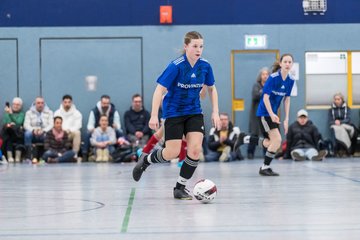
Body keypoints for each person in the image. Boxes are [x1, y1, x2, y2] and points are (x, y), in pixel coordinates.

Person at [132, 31, 221, 200]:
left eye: (201, 46)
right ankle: (146, 161)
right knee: (171, 152)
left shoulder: (205, 66)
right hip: (173, 112)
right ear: (186, 46)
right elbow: (159, 89)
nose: (198, 50)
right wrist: (153, 115)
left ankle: (179, 188)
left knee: (194, 150)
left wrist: (216, 111)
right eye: (195, 46)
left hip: (194, 112)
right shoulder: (176, 66)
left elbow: (212, 88)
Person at [235, 54, 295, 176]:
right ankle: (264, 167)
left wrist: (286, 118)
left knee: (271, 143)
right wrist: (272, 114)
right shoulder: (272, 78)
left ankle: (245, 138)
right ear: (280, 63)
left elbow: (287, 99)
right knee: (277, 140)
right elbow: (265, 98)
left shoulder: (291, 80)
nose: (288, 64)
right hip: (264, 113)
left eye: (290, 62)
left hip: (273, 115)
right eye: (285, 62)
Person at [83, 95, 122, 160]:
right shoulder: (94, 111)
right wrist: (93, 129)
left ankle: (120, 153)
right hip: (97, 132)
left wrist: (115, 127)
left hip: (110, 131)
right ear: (100, 103)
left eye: (107, 103)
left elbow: (118, 125)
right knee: (87, 133)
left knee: (120, 131)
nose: (105, 105)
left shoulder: (114, 111)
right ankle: (85, 154)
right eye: (104, 103)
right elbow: (90, 125)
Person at [247, 67, 270, 159]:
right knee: (254, 134)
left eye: (266, 74)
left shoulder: (270, 85)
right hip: (256, 114)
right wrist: (264, 92)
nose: (265, 76)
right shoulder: (256, 85)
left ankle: (266, 153)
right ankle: (250, 153)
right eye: (263, 74)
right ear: (260, 76)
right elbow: (255, 96)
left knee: (266, 134)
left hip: (267, 114)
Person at [24, 96, 54, 163]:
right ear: (35, 104)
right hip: (33, 133)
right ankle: (28, 157)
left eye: (42, 103)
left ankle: (44, 157)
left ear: (44, 104)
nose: (40, 105)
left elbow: (51, 125)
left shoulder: (49, 112)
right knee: (27, 134)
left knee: (47, 135)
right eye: (38, 103)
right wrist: (33, 130)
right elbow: (26, 125)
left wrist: (43, 130)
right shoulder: (29, 112)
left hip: (44, 133)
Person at [328, 92, 358, 156]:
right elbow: (330, 121)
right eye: (335, 99)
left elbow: (348, 119)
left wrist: (340, 122)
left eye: (338, 99)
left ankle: (348, 149)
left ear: (342, 100)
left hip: (345, 124)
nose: (337, 101)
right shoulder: (331, 110)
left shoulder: (347, 108)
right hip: (335, 125)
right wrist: (335, 122)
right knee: (338, 129)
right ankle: (343, 149)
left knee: (352, 130)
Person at [54, 94, 82, 159]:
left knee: (77, 133)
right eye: (65, 102)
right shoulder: (57, 113)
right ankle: (58, 154)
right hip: (60, 133)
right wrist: (63, 130)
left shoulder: (77, 113)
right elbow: (55, 125)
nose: (67, 104)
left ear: (71, 103)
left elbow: (78, 125)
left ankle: (74, 154)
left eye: (69, 102)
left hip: (71, 133)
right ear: (62, 102)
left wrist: (69, 130)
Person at [2, 97, 25, 163]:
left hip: (18, 133)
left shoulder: (22, 114)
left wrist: (11, 114)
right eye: (14, 104)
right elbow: (4, 123)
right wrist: (9, 124)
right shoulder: (6, 113)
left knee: (19, 135)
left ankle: (18, 156)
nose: (15, 106)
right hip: (9, 133)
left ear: (21, 106)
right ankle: (10, 157)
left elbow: (19, 122)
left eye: (18, 104)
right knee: (9, 136)